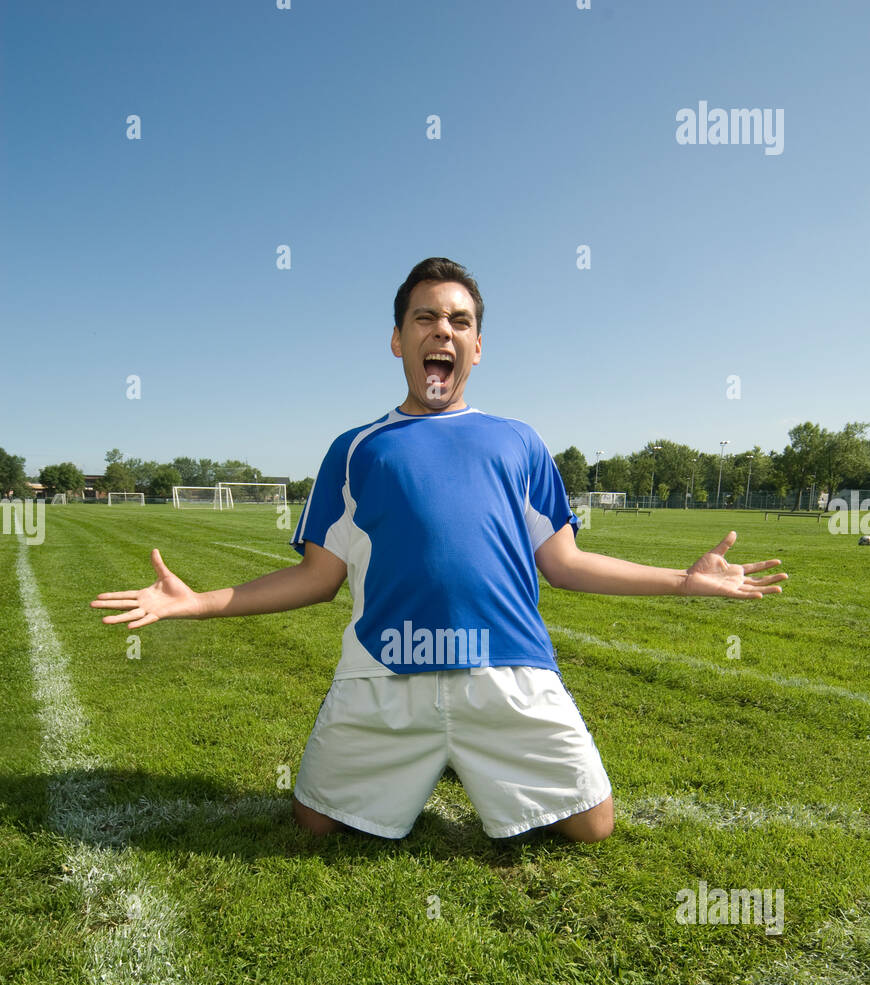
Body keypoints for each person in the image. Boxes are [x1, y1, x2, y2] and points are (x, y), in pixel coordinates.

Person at [91, 257, 788, 843]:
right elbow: (316, 579)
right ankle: (428, 755)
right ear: (398, 340)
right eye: (425, 317)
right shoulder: (356, 449)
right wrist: (196, 602)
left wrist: (683, 580)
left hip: (508, 672)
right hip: (383, 676)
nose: (442, 331)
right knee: (314, 825)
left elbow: (566, 563)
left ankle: (466, 753)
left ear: (477, 347)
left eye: (459, 320)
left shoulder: (520, 442)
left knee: (592, 828)